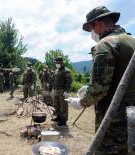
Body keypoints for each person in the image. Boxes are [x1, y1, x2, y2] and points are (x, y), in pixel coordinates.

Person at [65, 6, 135, 154]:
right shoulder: (131, 41)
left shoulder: (105, 44)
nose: (92, 32)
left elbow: (99, 89)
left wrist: (81, 102)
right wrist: (89, 87)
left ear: (98, 24)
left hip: (115, 121)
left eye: (91, 28)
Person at [51, 58, 72, 126]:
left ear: (61, 63)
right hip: (56, 90)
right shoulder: (56, 70)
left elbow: (69, 81)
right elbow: (54, 80)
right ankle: (58, 117)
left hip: (62, 91)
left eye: (58, 63)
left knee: (63, 106)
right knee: (56, 105)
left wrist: (66, 91)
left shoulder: (66, 71)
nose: (56, 64)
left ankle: (63, 120)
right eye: (56, 63)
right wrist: (53, 89)